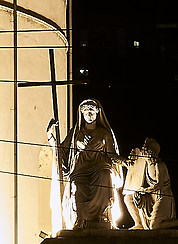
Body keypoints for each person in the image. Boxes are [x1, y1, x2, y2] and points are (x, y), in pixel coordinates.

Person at [48, 97, 125, 231]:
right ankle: (81, 219)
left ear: (97, 113)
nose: (89, 114)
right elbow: (62, 151)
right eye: (86, 111)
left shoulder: (104, 133)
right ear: (82, 114)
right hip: (81, 170)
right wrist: (51, 136)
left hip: (100, 167)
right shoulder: (75, 133)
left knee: (105, 176)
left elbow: (112, 155)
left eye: (92, 111)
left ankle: (103, 215)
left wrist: (124, 161)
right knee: (78, 185)